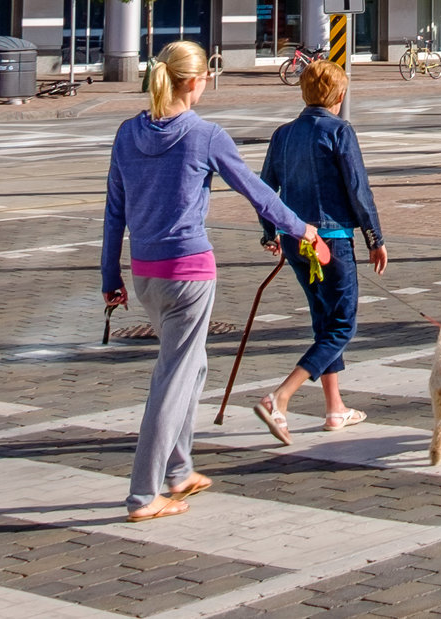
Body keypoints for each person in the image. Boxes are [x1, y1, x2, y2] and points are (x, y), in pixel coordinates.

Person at [102, 41, 320, 521]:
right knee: (173, 381)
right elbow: (258, 193)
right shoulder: (204, 134)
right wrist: (301, 227)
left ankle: (180, 470)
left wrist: (109, 274)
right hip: (189, 272)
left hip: (145, 275)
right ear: (196, 81)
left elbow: (114, 209)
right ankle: (144, 494)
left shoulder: (127, 133)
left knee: (191, 366)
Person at [251, 55, 388, 442]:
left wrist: (270, 232)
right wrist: (375, 239)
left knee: (323, 322)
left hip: (297, 240)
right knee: (342, 325)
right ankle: (281, 396)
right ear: (339, 94)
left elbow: (265, 189)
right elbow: (358, 189)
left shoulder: (283, 134)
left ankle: (334, 408)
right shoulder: (340, 132)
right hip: (333, 238)